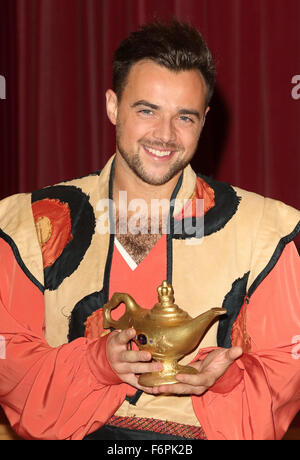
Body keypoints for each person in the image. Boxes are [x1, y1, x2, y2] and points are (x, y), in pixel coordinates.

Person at [0, 20, 299, 441]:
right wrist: (95, 363)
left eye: (185, 117)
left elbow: (284, 371)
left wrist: (224, 378)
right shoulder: (35, 223)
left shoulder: (262, 229)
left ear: (204, 120)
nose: (165, 135)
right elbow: (10, 363)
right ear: (112, 106)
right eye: (146, 110)